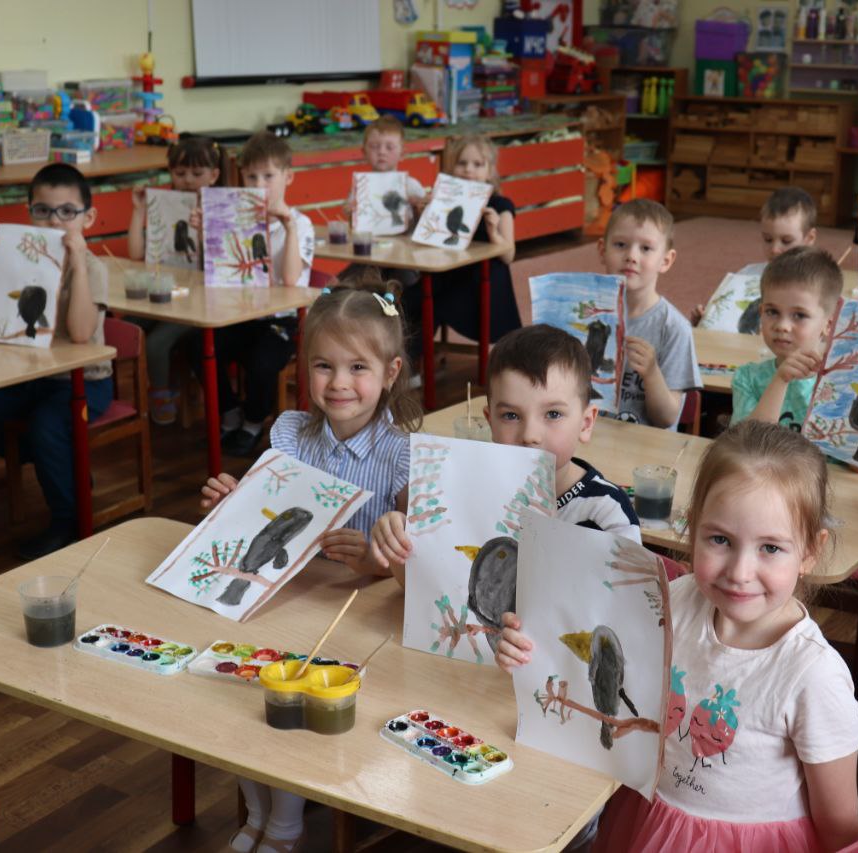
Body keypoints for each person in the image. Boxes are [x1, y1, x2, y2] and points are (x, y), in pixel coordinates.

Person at [498, 421, 858, 851]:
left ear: (810, 551)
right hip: (647, 821)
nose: (740, 572)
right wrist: (528, 650)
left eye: (770, 548)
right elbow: (599, 666)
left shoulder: (815, 675)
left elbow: (840, 827)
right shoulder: (673, 600)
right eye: (720, 539)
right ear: (692, 530)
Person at [199, 276, 420, 853]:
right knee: (242, 680)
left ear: (390, 373)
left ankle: (285, 824)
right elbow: (260, 518)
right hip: (286, 597)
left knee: (291, 687)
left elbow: (413, 559)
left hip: (356, 617)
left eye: (357, 367)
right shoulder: (291, 434)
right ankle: (257, 810)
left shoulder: (401, 455)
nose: (339, 382)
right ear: (305, 368)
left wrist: (374, 560)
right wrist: (230, 504)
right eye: (324, 366)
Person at [369, 323, 641, 582]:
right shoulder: (467, 496)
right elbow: (427, 589)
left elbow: (627, 605)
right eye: (511, 415)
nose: (530, 435)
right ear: (490, 422)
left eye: (553, 414)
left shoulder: (608, 511)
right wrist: (401, 544)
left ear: (586, 423)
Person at [0, 164, 114, 559]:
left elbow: (80, 334)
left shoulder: (93, 268)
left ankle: (68, 520)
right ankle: (59, 463)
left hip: (84, 382)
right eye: (42, 211)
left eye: (66, 212)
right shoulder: (19, 259)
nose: (54, 221)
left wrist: (77, 263)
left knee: (46, 426)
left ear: (88, 218)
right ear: (29, 213)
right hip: (30, 376)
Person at [194, 131, 315, 457]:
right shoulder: (234, 219)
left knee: (261, 363)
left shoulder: (301, 224)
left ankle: (253, 421)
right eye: (251, 176)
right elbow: (215, 272)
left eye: (268, 176)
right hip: (238, 314)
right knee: (198, 346)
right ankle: (230, 411)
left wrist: (288, 227)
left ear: (288, 177)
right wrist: (207, 233)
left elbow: (291, 280)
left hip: (281, 320)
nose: (259, 184)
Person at [125, 135, 222, 424]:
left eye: (197, 173)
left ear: (214, 175)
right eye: (180, 173)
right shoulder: (165, 206)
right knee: (126, 326)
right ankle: (131, 392)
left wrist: (205, 232)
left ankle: (160, 392)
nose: (188, 180)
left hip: (200, 301)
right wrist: (139, 210)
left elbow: (220, 266)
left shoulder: (222, 209)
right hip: (165, 292)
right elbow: (136, 254)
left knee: (156, 343)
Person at [599, 199, 701, 429]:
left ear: (666, 260)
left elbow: (666, 418)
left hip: (645, 445)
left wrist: (652, 373)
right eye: (620, 244)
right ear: (602, 251)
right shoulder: (584, 315)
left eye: (645, 248)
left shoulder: (674, 327)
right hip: (588, 437)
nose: (631, 256)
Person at [414, 134, 519, 348]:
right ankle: (410, 355)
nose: (468, 169)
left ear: (490, 171)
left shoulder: (500, 205)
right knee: (412, 300)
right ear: (452, 168)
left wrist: (493, 232)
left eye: (478, 164)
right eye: (462, 163)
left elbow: (509, 256)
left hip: (480, 279)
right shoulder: (443, 200)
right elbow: (427, 243)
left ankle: (415, 355)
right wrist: (422, 215)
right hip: (447, 273)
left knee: (432, 300)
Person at [730, 246, 842, 431]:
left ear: (828, 324)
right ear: (761, 312)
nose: (782, 325)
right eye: (772, 312)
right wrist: (780, 380)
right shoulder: (748, 378)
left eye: (799, 315)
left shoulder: (838, 384)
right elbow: (746, 441)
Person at [691, 187, 820, 327]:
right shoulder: (746, 275)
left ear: (809, 238)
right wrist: (704, 320)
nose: (774, 249)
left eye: (786, 241)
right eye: (768, 239)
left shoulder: (819, 283)